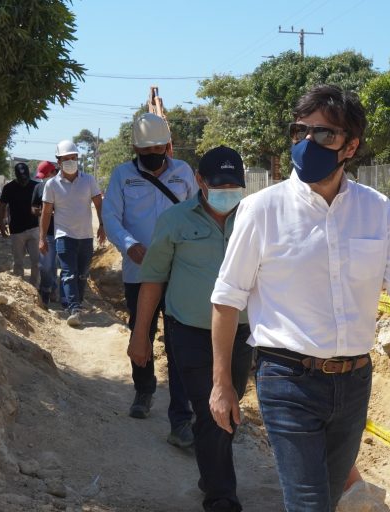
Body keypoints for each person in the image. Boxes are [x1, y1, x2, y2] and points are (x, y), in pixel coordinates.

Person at [209, 85, 390, 511]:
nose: (308, 144)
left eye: (324, 135)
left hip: (354, 382)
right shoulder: (261, 210)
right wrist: (221, 382)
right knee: (307, 503)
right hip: (287, 379)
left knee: (329, 497)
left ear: (351, 146)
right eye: (300, 131)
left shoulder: (375, 209)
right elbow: (227, 300)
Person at [128, 146, 251, 512]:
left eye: (235, 185)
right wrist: (140, 335)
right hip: (190, 332)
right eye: (220, 184)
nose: (228, 191)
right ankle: (221, 498)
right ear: (199, 181)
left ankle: (210, 472)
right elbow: (152, 279)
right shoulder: (175, 221)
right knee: (213, 404)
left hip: (241, 333)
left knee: (228, 405)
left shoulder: (253, 219)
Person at [102, 113, 197, 443]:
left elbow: (197, 212)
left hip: (179, 273)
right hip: (138, 272)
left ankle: (180, 415)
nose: (153, 154)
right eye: (146, 149)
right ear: (135, 149)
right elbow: (111, 217)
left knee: (179, 342)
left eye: (159, 147)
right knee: (141, 331)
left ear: (168, 146)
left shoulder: (184, 173)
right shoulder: (122, 176)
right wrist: (129, 245)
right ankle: (143, 391)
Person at [39, 140, 106, 328]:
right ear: (58, 161)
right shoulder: (52, 185)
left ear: (78, 159)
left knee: (82, 274)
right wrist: (42, 238)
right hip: (63, 235)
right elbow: (45, 213)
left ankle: (72, 302)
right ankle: (74, 309)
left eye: (73, 158)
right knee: (69, 272)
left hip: (85, 236)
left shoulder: (89, 181)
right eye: (66, 158)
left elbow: (99, 204)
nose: (70, 161)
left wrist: (102, 225)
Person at [0, 162, 39, 285]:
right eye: (21, 179)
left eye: (26, 178)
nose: (24, 181)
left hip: (34, 229)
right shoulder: (8, 188)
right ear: (16, 176)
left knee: (37, 262)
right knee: (18, 262)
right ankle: (20, 286)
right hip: (16, 231)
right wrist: (1, 225)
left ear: (29, 175)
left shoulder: (36, 186)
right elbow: (2, 207)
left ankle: (34, 287)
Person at [32, 161, 60, 305]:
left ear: (53, 172)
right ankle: (45, 290)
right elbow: (33, 208)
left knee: (55, 265)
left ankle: (54, 290)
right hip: (47, 233)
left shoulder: (62, 187)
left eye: (45, 175)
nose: (43, 179)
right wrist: (44, 212)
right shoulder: (39, 187)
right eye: (42, 176)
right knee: (46, 266)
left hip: (62, 232)